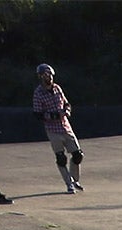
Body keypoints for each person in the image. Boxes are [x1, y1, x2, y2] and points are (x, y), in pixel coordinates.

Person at [32, 63, 84, 193]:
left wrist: (67, 110)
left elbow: (66, 103)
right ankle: (69, 183)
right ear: (40, 77)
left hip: (66, 126)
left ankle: (75, 179)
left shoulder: (57, 88)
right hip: (53, 130)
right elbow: (38, 114)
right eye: (44, 75)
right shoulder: (38, 93)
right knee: (61, 158)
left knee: (77, 155)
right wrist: (54, 115)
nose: (48, 77)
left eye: (49, 75)